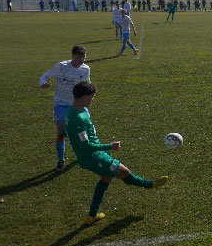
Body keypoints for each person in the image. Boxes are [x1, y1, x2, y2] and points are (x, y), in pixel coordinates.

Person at [64, 81, 168, 224]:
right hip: (93, 156)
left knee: (106, 178)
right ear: (83, 97)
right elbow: (86, 146)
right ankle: (150, 184)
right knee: (124, 171)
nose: (92, 100)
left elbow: (68, 133)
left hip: (92, 155)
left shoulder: (72, 111)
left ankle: (92, 215)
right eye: (91, 97)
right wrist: (109, 146)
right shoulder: (78, 118)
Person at [39, 45, 91, 172]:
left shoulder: (86, 69)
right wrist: (43, 82)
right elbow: (45, 76)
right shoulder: (61, 66)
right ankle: (61, 161)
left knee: (85, 130)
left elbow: (86, 85)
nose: (81, 60)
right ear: (72, 56)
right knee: (61, 132)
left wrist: (88, 96)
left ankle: (86, 151)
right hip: (61, 104)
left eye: (83, 57)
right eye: (78, 57)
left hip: (77, 104)